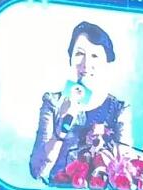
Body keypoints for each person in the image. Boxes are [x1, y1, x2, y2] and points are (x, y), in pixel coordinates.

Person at [30, 21, 132, 181]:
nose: (86, 64)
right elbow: (38, 171)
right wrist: (62, 126)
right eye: (79, 54)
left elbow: (124, 172)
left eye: (94, 56)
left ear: (107, 62)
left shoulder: (118, 109)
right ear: (70, 57)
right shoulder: (53, 102)